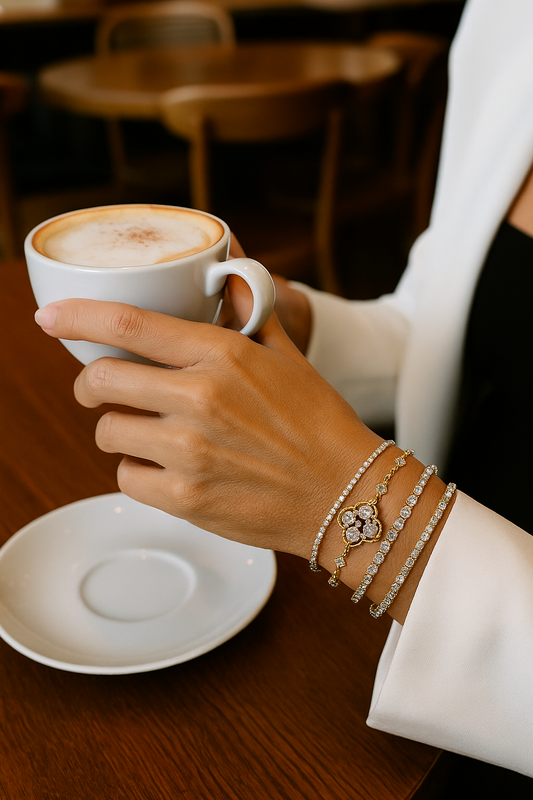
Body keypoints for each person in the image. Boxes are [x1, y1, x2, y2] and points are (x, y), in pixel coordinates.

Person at [34, 0, 533, 782]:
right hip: (398, 631)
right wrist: (288, 325)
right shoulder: (508, 17)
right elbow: (447, 322)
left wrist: (367, 517)